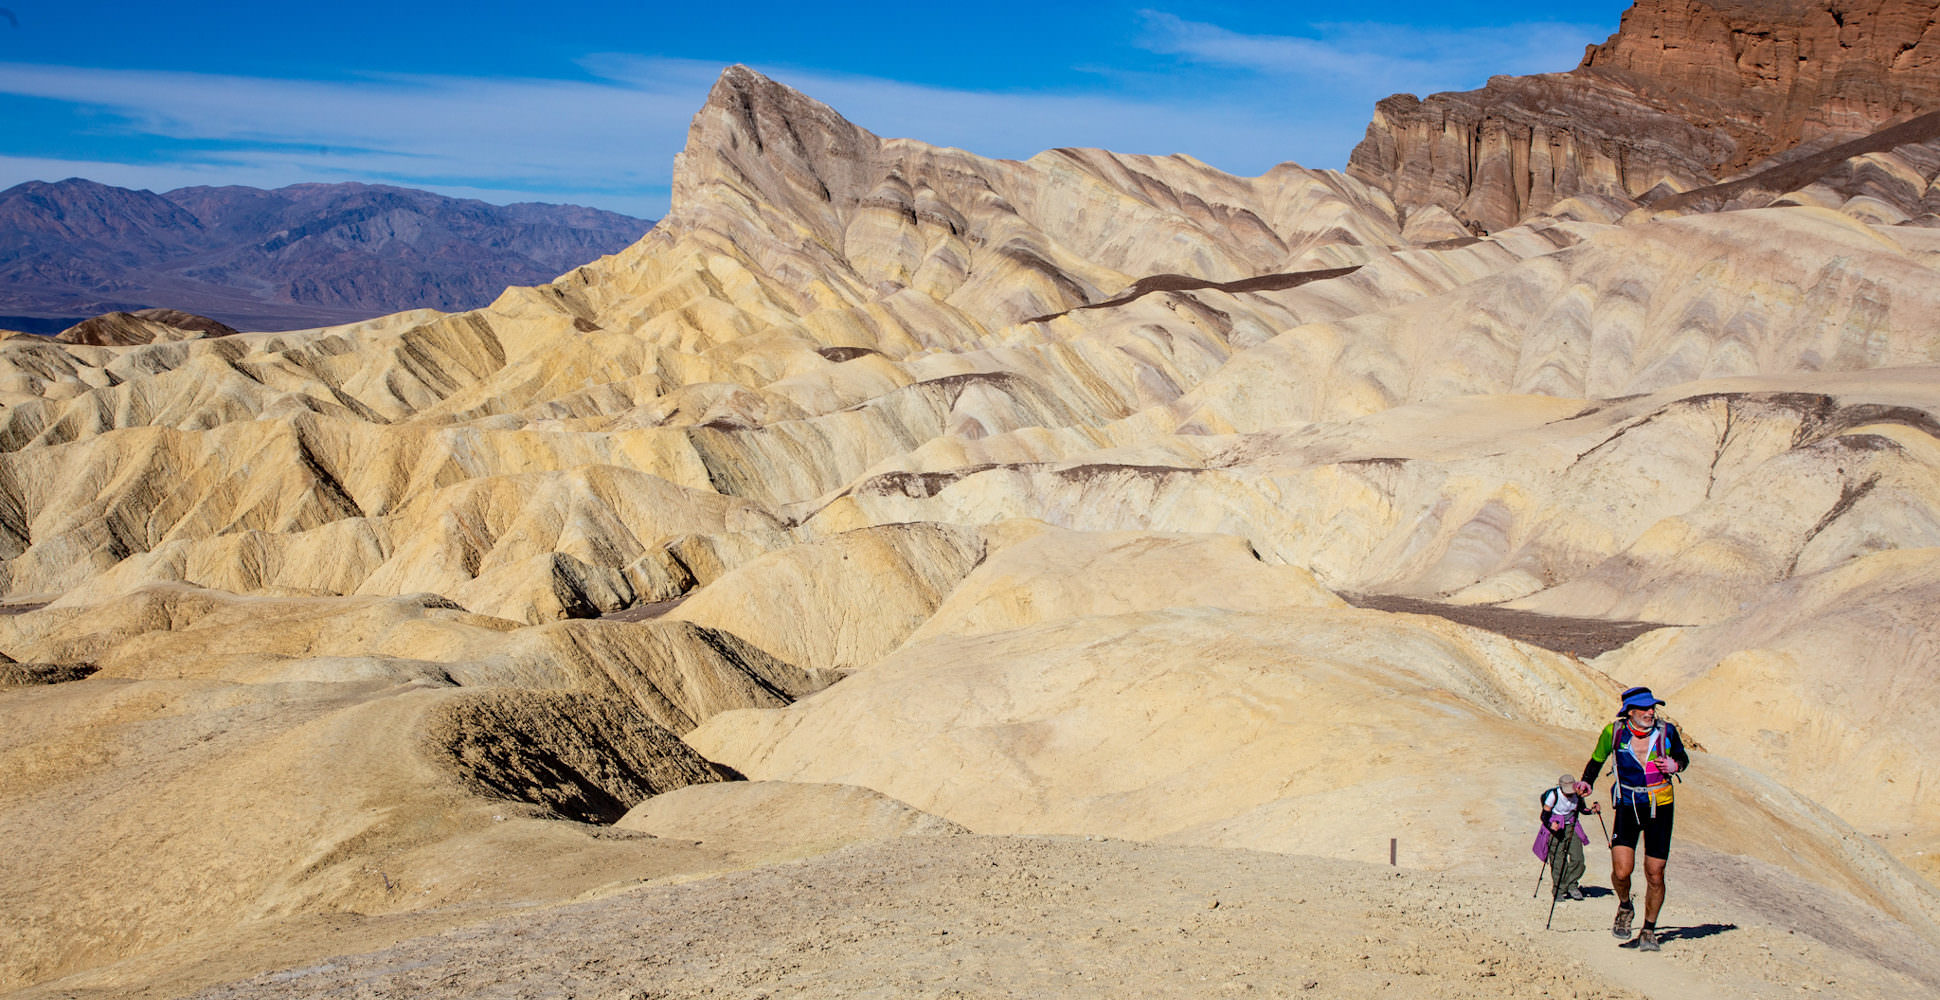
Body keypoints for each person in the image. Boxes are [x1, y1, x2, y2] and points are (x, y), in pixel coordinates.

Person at [1581, 686, 1690, 952]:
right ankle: (1625, 905)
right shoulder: (1614, 732)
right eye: (1645, 708)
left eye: (1652, 707)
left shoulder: (1667, 731)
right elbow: (1596, 761)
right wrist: (1586, 783)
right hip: (1627, 805)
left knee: (1655, 873)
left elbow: (1683, 758)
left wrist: (1675, 766)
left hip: (1660, 805)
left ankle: (1648, 930)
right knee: (1621, 871)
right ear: (1630, 711)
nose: (1651, 712)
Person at [1537, 773, 1595, 900]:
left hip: (1572, 827)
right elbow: (1544, 816)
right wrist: (1550, 825)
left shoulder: (1577, 794)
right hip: (1557, 828)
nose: (1569, 794)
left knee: (1578, 859)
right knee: (1558, 860)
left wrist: (1592, 811)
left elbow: (1582, 809)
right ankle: (1559, 889)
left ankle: (1570, 885)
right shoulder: (1554, 795)